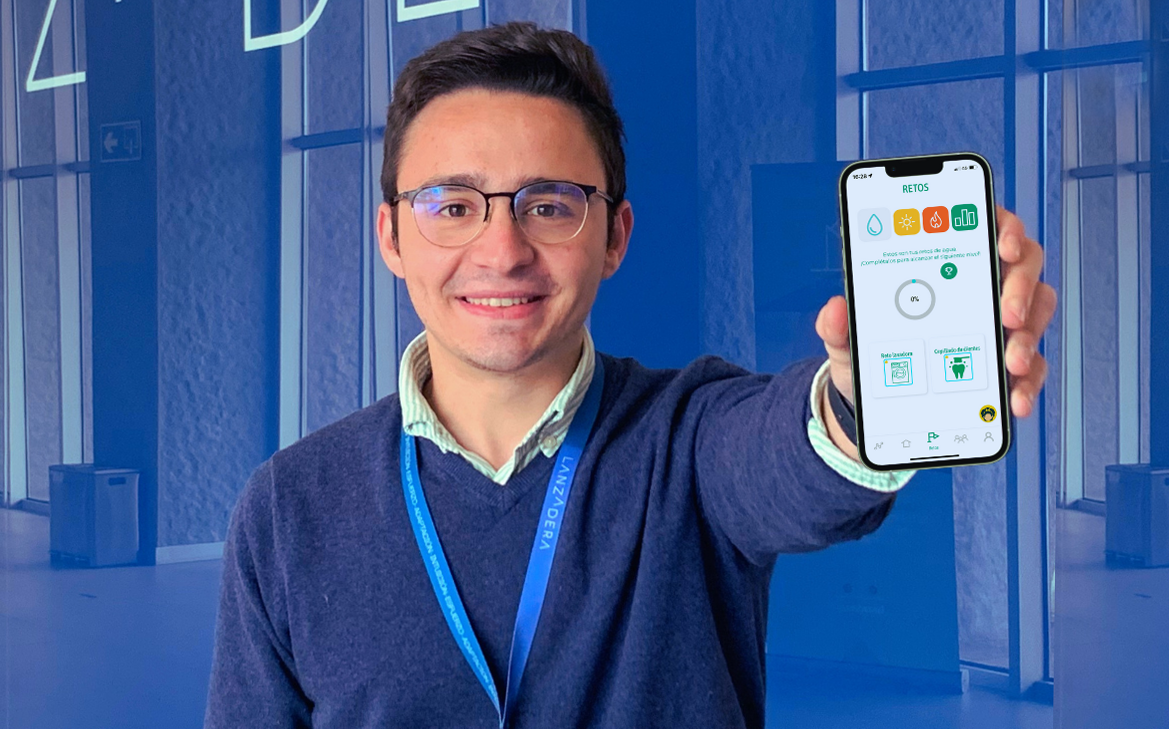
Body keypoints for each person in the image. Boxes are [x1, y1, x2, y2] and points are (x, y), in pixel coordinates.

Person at [204, 21, 1056, 729]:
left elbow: (788, 458)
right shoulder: (289, 507)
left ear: (615, 237)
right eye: (452, 206)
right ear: (391, 236)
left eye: (549, 205)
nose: (501, 250)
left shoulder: (688, 444)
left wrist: (863, 402)